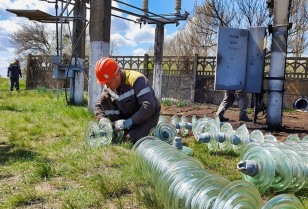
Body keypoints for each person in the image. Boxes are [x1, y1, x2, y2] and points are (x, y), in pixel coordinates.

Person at [94, 57, 161, 143]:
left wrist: (129, 122)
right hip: (128, 114)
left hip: (148, 116)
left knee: (130, 140)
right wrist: (103, 120)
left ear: (117, 75)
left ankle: (137, 131)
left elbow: (149, 106)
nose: (107, 86)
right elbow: (98, 106)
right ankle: (118, 130)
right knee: (104, 97)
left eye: (109, 82)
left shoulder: (137, 80)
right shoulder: (109, 86)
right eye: (105, 83)